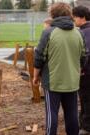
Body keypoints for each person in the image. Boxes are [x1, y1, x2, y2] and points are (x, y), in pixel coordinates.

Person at [33, 2, 85, 135]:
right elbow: (83, 57)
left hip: (53, 82)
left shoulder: (48, 32)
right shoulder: (79, 33)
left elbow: (39, 57)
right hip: (72, 82)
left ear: (53, 14)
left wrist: (35, 76)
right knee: (72, 114)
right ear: (69, 14)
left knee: (52, 114)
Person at [73, 5, 90, 135]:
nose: (74, 20)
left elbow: (85, 54)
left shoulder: (83, 32)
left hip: (86, 73)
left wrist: (80, 69)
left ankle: (86, 127)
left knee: (85, 99)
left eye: (75, 17)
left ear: (82, 17)